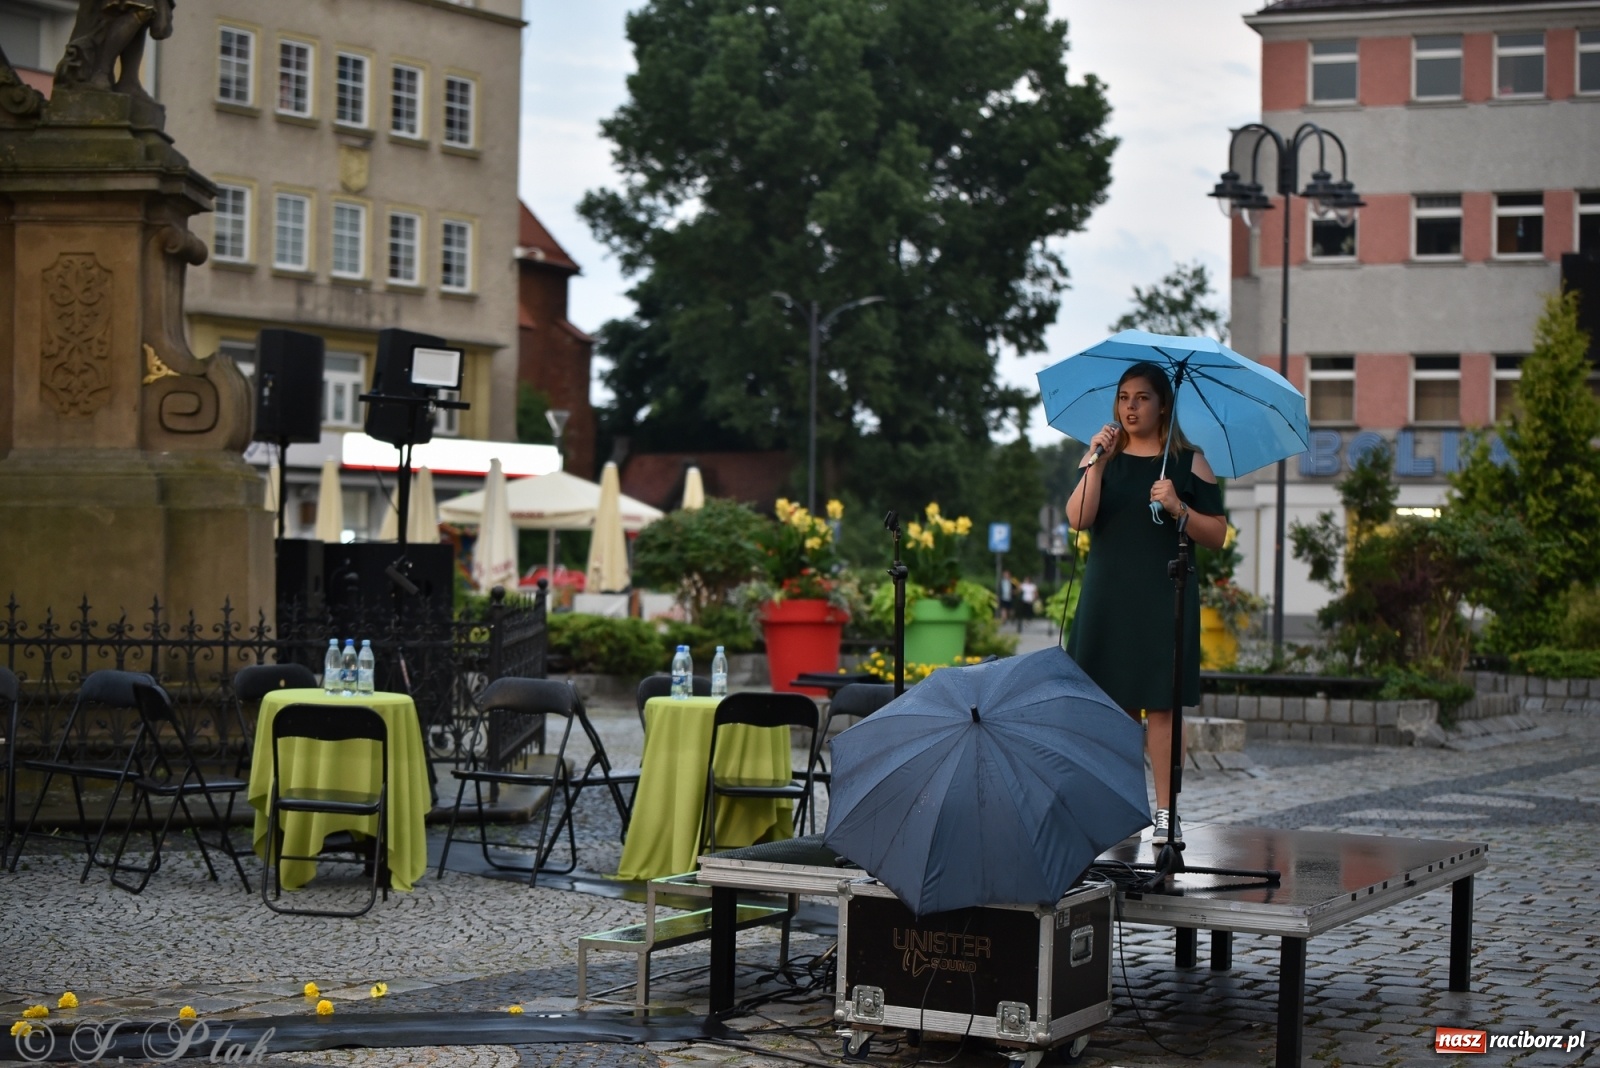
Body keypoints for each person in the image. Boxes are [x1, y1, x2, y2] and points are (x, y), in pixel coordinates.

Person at [1064, 362, 1227, 847]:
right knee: (1113, 708)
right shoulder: (1100, 459)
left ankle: (1165, 812)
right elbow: (1078, 518)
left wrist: (1179, 507)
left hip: (1163, 595)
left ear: (1163, 406)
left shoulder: (1190, 463)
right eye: (1123, 398)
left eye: (1141, 398)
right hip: (1108, 596)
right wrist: (1097, 457)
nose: (1130, 407)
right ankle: (1120, 807)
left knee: (1162, 708)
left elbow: (1216, 535)